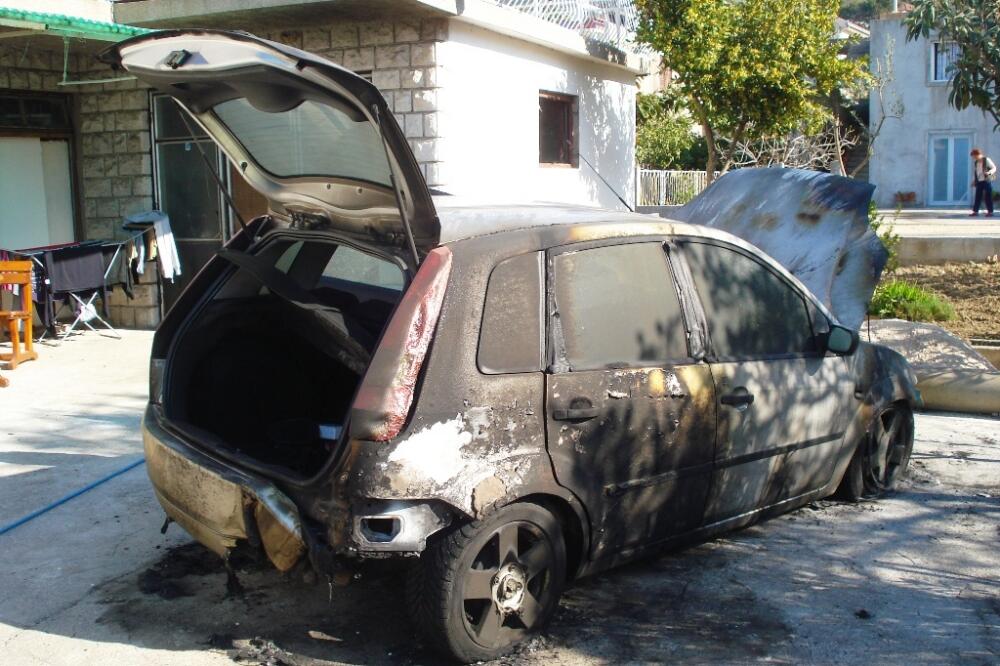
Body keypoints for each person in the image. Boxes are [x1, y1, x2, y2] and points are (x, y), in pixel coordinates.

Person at [970, 148, 996, 217]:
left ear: (978, 154)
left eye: (974, 156)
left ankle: (990, 212)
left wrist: (989, 173)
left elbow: (994, 168)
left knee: (988, 196)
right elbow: (977, 172)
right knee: (978, 196)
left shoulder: (986, 160)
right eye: (973, 157)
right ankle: (975, 211)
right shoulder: (976, 162)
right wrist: (974, 181)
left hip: (986, 180)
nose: (974, 158)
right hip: (979, 181)